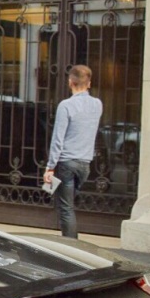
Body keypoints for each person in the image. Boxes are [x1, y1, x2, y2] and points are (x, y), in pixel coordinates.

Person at [44, 64, 102, 239]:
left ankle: (71, 247)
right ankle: (71, 243)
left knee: (66, 208)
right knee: (68, 205)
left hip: (66, 163)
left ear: (70, 82)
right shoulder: (97, 104)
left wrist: (50, 167)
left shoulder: (66, 106)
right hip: (85, 164)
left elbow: (58, 138)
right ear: (89, 83)